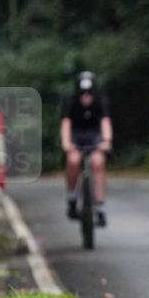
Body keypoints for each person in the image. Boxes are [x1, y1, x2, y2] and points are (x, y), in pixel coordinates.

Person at [60, 71, 112, 226]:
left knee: (98, 163)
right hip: (76, 135)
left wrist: (106, 141)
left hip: (94, 135)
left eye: (89, 93)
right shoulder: (70, 101)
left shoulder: (101, 101)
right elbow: (66, 124)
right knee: (73, 160)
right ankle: (72, 197)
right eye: (83, 93)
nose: (86, 96)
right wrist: (66, 143)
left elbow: (105, 122)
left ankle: (100, 206)